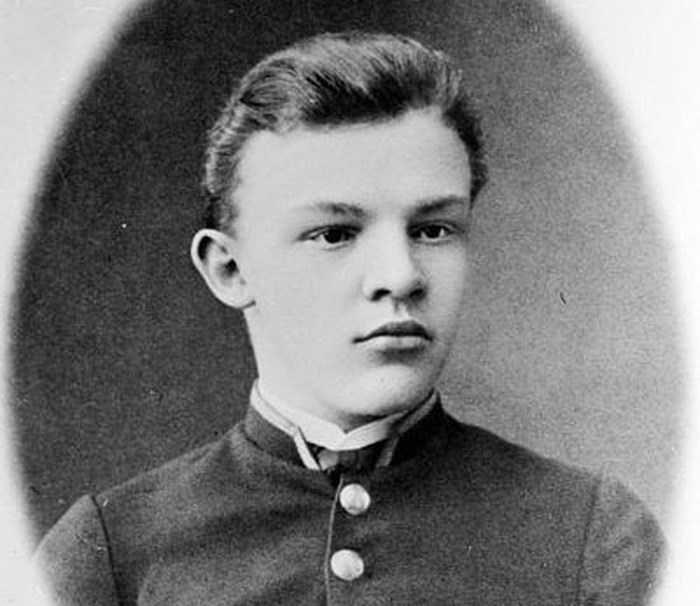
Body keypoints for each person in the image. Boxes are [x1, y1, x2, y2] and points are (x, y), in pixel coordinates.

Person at [35, 31, 663, 605]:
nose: (401, 275)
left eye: (433, 229)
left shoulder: (594, 541)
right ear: (229, 269)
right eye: (334, 233)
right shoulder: (110, 557)